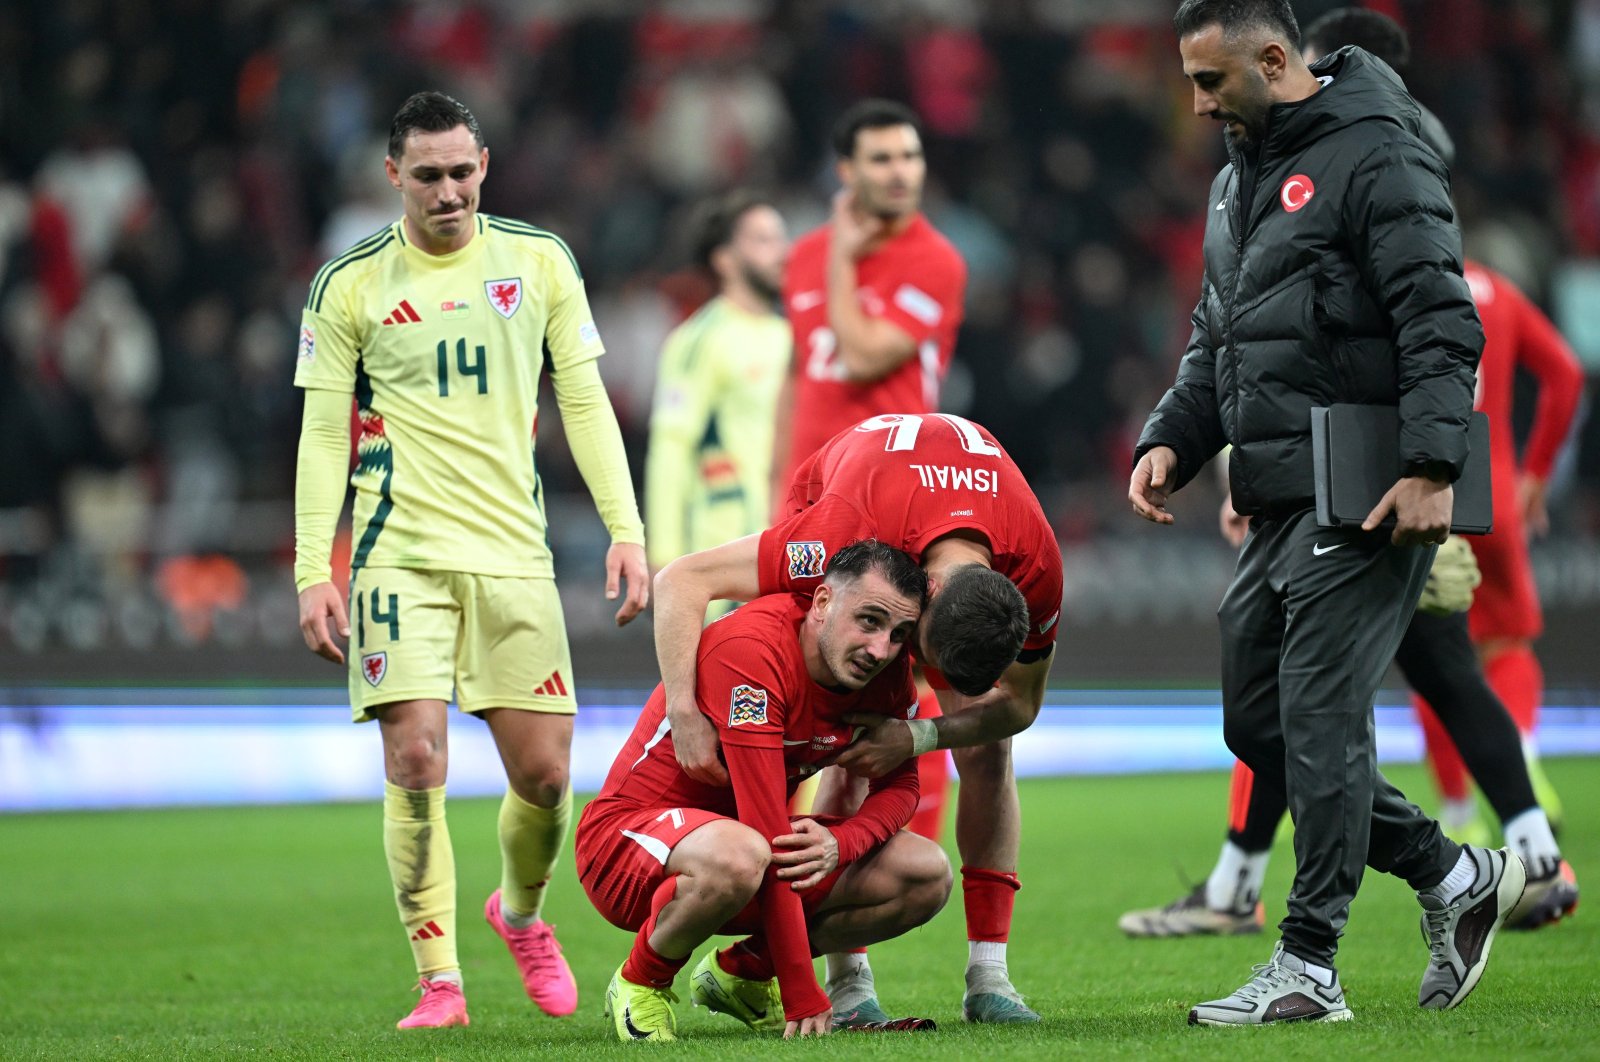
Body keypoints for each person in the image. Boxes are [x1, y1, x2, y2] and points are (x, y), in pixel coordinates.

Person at [1119, 7, 1578, 942]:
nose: (1198, 105)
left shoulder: (1380, 151)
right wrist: (1173, 437)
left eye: (1211, 82)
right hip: (1276, 490)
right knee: (1260, 724)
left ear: (1276, 59)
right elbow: (1221, 334)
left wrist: (1430, 465)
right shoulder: (1234, 179)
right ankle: (1456, 872)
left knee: (1328, 719)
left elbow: (1442, 321)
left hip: (1367, 486)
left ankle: (1307, 959)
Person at [293, 91, 649, 1030]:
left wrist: (626, 529)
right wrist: (308, 568)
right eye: (427, 176)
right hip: (394, 554)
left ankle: (520, 914)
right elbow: (323, 434)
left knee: (544, 779)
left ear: (484, 165)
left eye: (461, 172)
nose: (447, 192)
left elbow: (584, 401)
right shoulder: (350, 285)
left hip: (512, 555)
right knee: (415, 757)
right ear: (393, 178)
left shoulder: (537, 261)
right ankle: (438, 981)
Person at [655, 411, 1058, 1024]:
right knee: (846, 720)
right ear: (922, 593)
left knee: (990, 747)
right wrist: (684, 711)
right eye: (914, 651)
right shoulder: (838, 531)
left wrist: (920, 734)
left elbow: (1020, 707)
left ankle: (990, 979)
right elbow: (686, 578)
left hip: (921, 497)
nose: (905, 666)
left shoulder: (1039, 567)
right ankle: (847, 983)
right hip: (844, 486)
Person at [575, 540, 951, 1041]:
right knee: (744, 851)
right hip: (625, 844)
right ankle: (640, 980)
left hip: (744, 856)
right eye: (869, 620)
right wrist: (802, 991)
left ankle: (742, 974)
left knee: (925, 875)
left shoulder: (886, 676)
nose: (880, 649)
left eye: (898, 633)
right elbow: (764, 827)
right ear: (821, 603)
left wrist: (844, 842)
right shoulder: (752, 654)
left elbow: (901, 783)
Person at [774, 99, 967, 498]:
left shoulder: (935, 261)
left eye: (910, 157)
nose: (900, 172)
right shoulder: (803, 255)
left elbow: (862, 359)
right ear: (847, 171)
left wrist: (841, 260)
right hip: (805, 492)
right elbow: (795, 374)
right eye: (881, 159)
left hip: (886, 489)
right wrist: (775, 487)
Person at [645, 192, 791, 605]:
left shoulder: (792, 337)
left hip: (788, 540)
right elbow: (670, 447)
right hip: (725, 546)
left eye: (781, 239)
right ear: (725, 259)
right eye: (763, 240)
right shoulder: (700, 338)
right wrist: (666, 555)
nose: (782, 252)